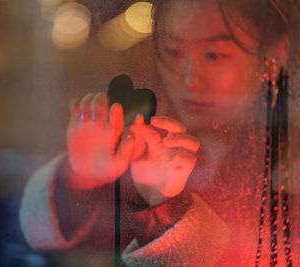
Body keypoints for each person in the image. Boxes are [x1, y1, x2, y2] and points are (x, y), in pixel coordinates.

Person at [17, 0, 300, 266]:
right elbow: (10, 242)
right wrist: (79, 180)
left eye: (214, 55)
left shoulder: (289, 168)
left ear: (273, 55)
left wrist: (165, 209)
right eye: (172, 51)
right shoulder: (140, 146)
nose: (188, 78)